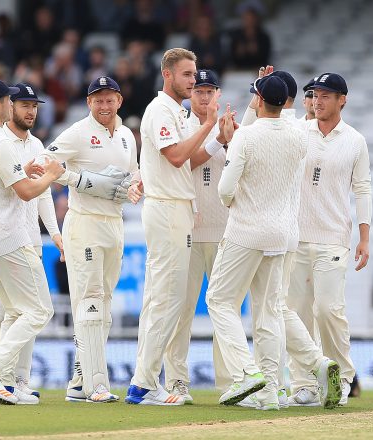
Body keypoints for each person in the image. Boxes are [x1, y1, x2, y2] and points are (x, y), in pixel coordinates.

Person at [125, 48, 220, 406]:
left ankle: (144, 380)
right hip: (166, 210)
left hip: (176, 209)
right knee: (168, 299)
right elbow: (176, 156)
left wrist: (216, 135)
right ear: (168, 74)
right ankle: (144, 383)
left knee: (159, 300)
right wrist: (209, 124)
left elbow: (190, 159)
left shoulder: (176, 113)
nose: (193, 80)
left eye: (194, 74)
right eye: (186, 75)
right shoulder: (159, 110)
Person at [205, 74, 306, 410]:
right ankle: (271, 392)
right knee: (268, 313)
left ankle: (247, 373)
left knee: (219, 300)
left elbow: (224, 190)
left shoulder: (245, 137)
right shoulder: (298, 135)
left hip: (246, 231)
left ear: (259, 100)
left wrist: (233, 203)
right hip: (281, 232)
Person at [0, 78, 65, 405]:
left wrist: (30, 168)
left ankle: (3, 383)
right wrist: (51, 175)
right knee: (39, 311)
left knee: (13, 311)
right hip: (9, 237)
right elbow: (25, 192)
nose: (12, 105)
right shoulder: (2, 143)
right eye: (9, 100)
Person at [38, 75, 137, 403]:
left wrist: (136, 186)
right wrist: (77, 180)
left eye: (110, 99)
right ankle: (97, 385)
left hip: (114, 224)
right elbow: (43, 164)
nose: (104, 105)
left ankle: (79, 381)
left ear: (119, 101)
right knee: (91, 302)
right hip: (84, 224)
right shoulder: (78, 132)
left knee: (103, 307)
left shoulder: (125, 135)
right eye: (98, 100)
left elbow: (134, 173)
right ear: (89, 102)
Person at [285, 73, 371, 406]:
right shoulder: (297, 131)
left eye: (325, 96)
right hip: (295, 236)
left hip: (334, 237)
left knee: (328, 310)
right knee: (298, 312)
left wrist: (364, 238)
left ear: (341, 100)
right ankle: (303, 384)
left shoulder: (354, 140)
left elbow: (362, 189)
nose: (318, 101)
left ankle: (344, 378)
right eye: (314, 95)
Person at [162, 69, 235, 403]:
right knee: (181, 310)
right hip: (187, 232)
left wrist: (229, 137)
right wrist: (216, 138)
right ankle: (177, 380)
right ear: (190, 94)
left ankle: (231, 382)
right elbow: (183, 162)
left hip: (225, 233)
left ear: (218, 94)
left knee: (225, 309)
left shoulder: (233, 129)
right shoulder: (180, 126)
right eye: (199, 91)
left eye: (210, 91)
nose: (204, 97)